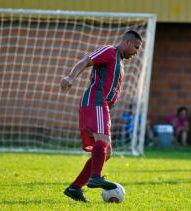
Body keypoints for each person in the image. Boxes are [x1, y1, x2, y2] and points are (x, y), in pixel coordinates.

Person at [61, 30, 142, 202]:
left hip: (103, 105)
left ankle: (75, 188)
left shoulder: (119, 61)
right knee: (102, 142)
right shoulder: (109, 51)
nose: (136, 52)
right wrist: (71, 77)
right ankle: (95, 177)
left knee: (107, 152)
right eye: (136, 47)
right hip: (95, 100)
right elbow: (85, 61)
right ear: (127, 43)